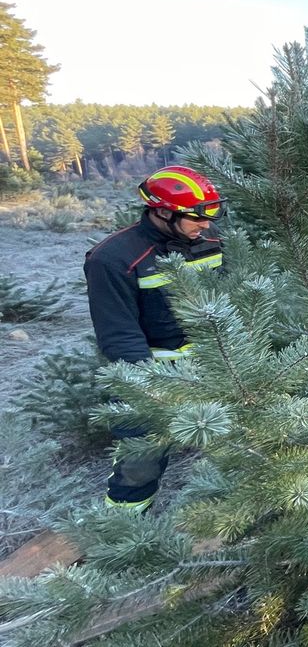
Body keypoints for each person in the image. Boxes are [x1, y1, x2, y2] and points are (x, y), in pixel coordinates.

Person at [84, 166, 226, 512]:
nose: (206, 225)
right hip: (148, 376)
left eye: (210, 215)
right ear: (162, 212)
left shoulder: (209, 240)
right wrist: (150, 389)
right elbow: (118, 335)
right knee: (140, 462)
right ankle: (125, 528)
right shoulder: (113, 259)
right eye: (195, 217)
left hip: (216, 365)